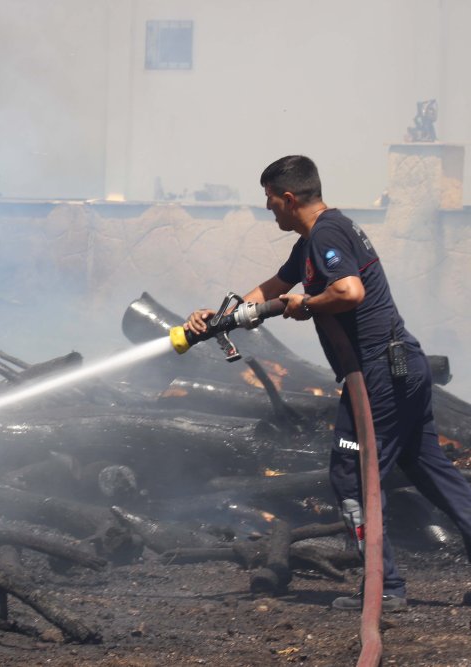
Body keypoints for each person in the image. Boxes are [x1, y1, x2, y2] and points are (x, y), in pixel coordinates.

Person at [185, 155, 471, 612]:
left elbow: (349, 292)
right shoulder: (314, 240)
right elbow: (272, 289)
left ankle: (385, 587)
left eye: (270, 200)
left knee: (349, 475)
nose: (268, 209)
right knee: (429, 468)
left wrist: (308, 304)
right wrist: (217, 320)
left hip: (381, 375)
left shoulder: (328, 234)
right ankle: (387, 582)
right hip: (400, 369)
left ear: (289, 198)